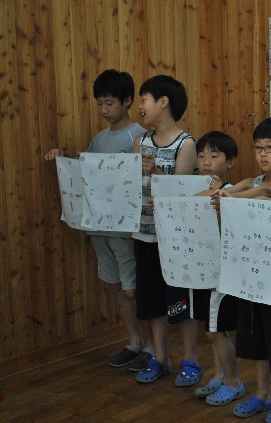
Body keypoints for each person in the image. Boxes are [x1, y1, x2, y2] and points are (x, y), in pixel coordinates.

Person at [45, 69, 151, 369]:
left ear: (127, 101)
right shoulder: (100, 138)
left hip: (126, 228)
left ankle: (153, 349)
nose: (104, 109)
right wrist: (63, 157)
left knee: (133, 289)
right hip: (99, 225)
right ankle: (134, 342)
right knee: (115, 285)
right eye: (100, 103)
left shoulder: (139, 136)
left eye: (110, 103)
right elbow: (87, 171)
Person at [217, 117, 271, 422]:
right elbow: (235, 192)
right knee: (257, 339)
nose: (263, 154)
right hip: (252, 275)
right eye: (258, 148)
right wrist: (222, 195)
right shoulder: (251, 182)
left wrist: (230, 197)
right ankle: (262, 393)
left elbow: (269, 193)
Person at [131, 75, 197, 384]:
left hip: (175, 238)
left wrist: (156, 170)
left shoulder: (186, 144)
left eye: (144, 99)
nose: (140, 106)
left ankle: (190, 360)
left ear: (163, 102)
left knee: (180, 301)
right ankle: (161, 359)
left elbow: (181, 193)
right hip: (143, 233)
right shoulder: (140, 141)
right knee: (151, 302)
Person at [188, 131, 244, 404]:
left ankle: (233, 382)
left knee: (215, 331)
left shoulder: (233, 192)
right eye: (201, 156)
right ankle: (219, 376)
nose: (206, 162)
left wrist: (216, 191)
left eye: (214, 156)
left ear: (230, 162)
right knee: (212, 331)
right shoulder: (197, 188)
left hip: (222, 275)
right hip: (203, 271)